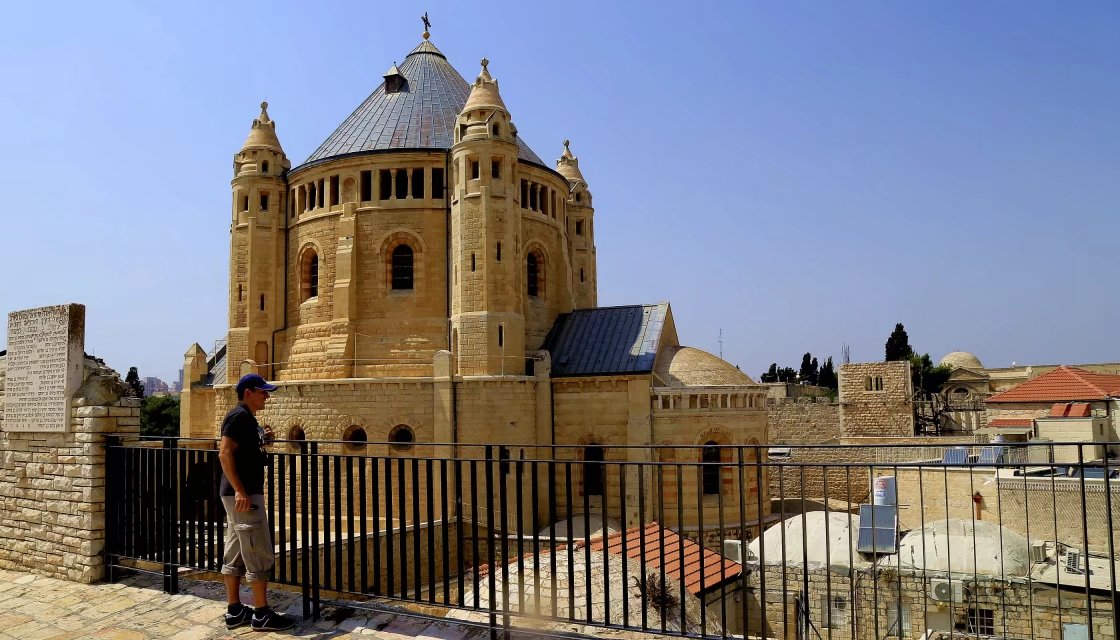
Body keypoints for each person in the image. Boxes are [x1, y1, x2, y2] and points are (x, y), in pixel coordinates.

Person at [217, 373, 295, 632]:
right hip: (244, 495)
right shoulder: (239, 416)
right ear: (248, 392)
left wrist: (265, 441)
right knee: (258, 550)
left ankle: (235, 610)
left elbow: (244, 451)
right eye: (263, 392)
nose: (267, 396)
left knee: (236, 549)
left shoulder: (247, 419)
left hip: (239, 494)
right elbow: (224, 453)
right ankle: (261, 613)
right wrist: (240, 491)